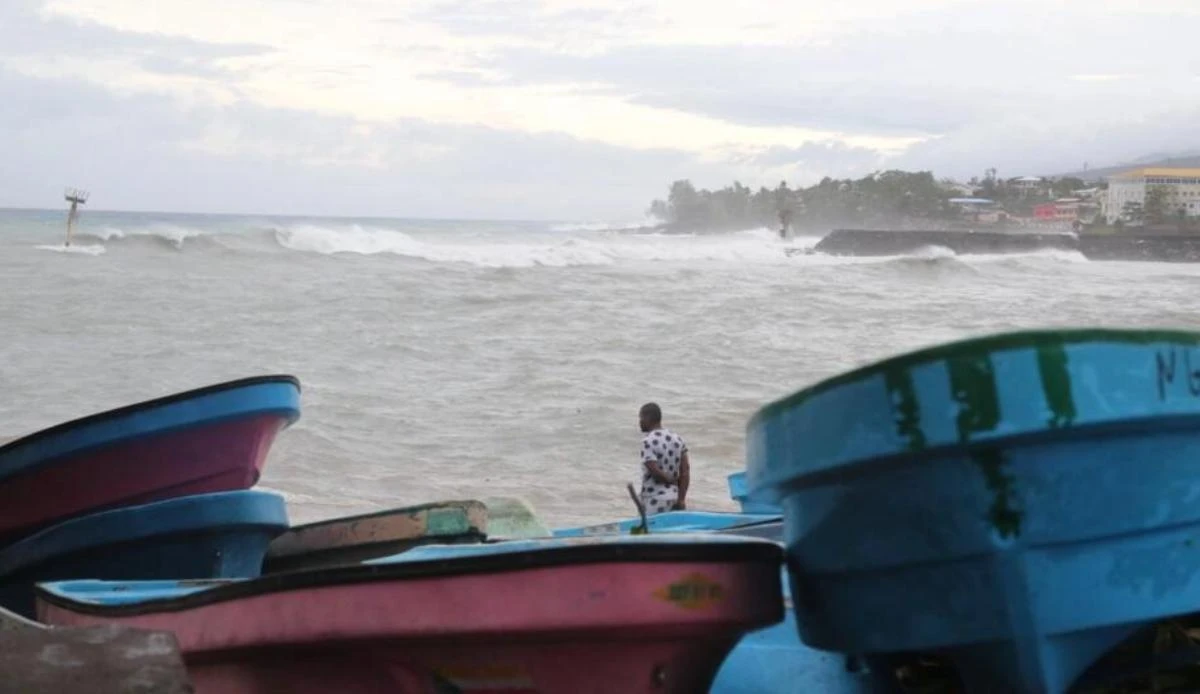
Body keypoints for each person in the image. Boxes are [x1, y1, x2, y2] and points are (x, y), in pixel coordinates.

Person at [636, 402, 690, 516]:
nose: (639, 422)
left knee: (652, 532)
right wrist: (681, 499)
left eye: (641, 418)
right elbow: (685, 472)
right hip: (674, 497)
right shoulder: (677, 439)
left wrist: (671, 481)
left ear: (648, 418)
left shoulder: (648, 441)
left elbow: (654, 471)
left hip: (654, 500)